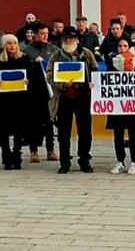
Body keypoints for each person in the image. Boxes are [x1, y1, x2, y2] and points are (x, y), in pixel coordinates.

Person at [47, 26, 99, 173]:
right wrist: (62, 84)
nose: (69, 40)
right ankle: (64, 162)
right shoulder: (56, 56)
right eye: (66, 38)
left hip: (83, 97)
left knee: (85, 132)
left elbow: (95, 70)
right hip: (63, 98)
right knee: (63, 133)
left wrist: (93, 82)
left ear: (77, 39)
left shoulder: (86, 54)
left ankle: (84, 160)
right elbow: (49, 75)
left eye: (71, 38)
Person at [0, 34, 34, 170]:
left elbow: (32, 79)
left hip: (20, 101)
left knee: (19, 131)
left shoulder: (24, 60)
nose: (12, 46)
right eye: (9, 43)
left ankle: (17, 155)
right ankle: (6, 156)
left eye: (14, 43)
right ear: (4, 46)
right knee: (3, 131)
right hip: (3, 102)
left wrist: (28, 83)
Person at [107, 37, 135, 175]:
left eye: (125, 46)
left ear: (130, 47)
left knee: (134, 134)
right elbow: (106, 81)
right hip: (117, 105)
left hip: (132, 105)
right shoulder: (112, 62)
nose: (122, 48)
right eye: (120, 46)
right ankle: (120, 161)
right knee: (118, 134)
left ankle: (134, 162)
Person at [23, 23, 58, 162]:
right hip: (34, 90)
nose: (45, 36)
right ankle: (33, 150)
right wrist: (33, 62)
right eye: (42, 33)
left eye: (47, 33)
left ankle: (50, 150)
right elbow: (24, 68)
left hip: (49, 90)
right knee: (33, 121)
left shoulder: (53, 49)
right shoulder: (27, 50)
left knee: (49, 121)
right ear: (35, 35)